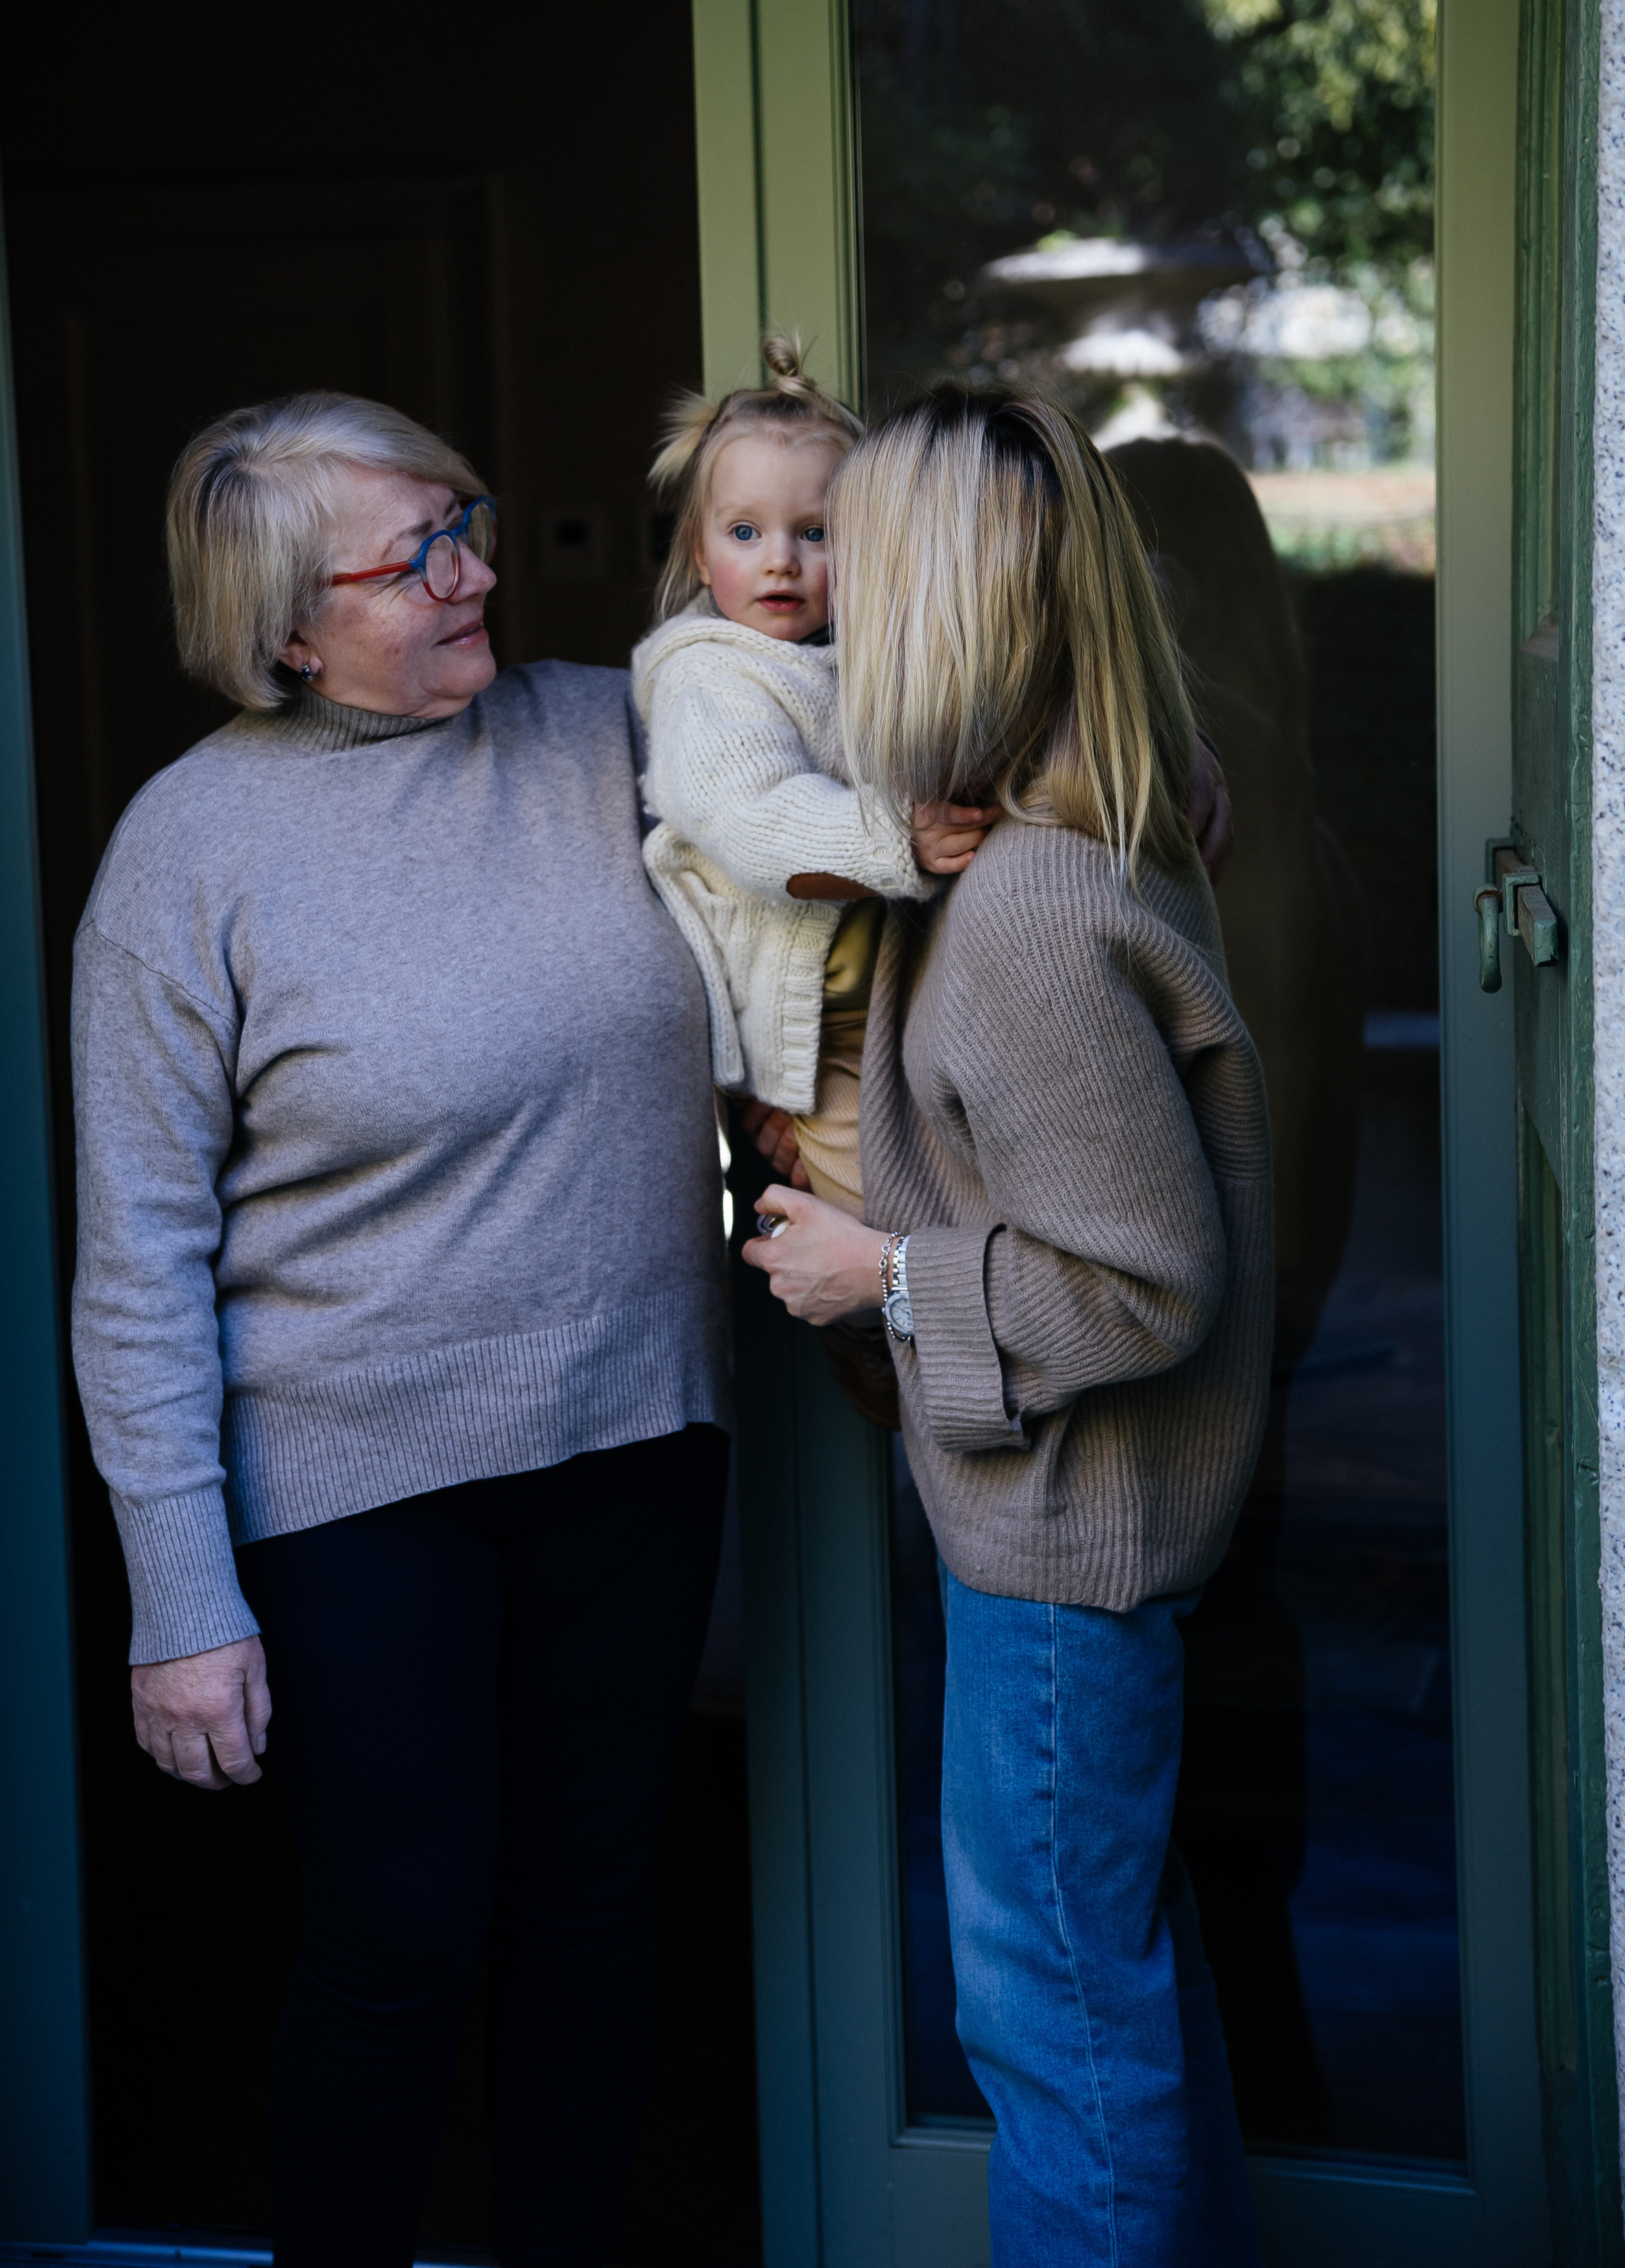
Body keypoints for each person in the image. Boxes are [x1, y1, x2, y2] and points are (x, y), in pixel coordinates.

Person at [69, 392, 730, 2268]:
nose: (479, 570)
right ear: (285, 626)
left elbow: (876, 771)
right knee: (403, 1929)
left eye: (469, 521)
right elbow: (138, 1261)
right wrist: (179, 1600)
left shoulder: (622, 729)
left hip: (634, 1440)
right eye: (416, 555)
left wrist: (1127, 794)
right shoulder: (187, 855)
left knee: (595, 1914)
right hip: (356, 1482)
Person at [742, 389, 1271, 2268]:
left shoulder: (1036, 915)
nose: (806, 612)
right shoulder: (1069, 835)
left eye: (853, 570)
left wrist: (869, 1274)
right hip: (1077, 1534)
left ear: (939, 610)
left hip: (1067, 1551)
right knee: (1113, 1985)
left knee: (1053, 2024)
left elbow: (1141, 1281)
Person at [632, 333, 996, 1220]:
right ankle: (893, 1335)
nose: (781, 561)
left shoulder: (864, 651)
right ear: (699, 543)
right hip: (804, 1024)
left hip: (889, 992)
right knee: (888, 1216)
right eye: (746, 532)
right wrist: (896, 836)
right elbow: (755, 823)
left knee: (953, 1173)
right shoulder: (706, 673)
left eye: (818, 533)